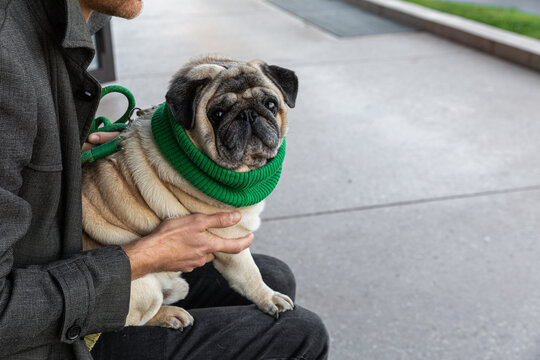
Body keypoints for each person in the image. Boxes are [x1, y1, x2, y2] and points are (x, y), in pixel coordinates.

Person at [0, 0, 329, 359]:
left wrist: (67, 152)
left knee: (274, 277)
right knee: (301, 334)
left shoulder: (53, 26)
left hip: (62, 251)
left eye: (265, 107)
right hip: (50, 334)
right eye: (220, 113)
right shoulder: (8, 61)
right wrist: (142, 259)